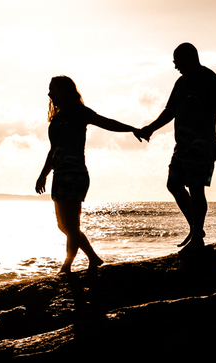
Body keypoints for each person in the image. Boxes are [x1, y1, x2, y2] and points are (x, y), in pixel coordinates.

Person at [36, 76, 146, 277]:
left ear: (65, 91)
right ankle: (93, 258)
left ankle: (67, 265)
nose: (50, 94)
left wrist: (132, 129)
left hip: (75, 174)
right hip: (59, 175)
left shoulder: (80, 112)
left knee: (72, 225)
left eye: (53, 90)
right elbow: (53, 150)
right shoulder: (56, 118)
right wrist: (43, 174)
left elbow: (107, 122)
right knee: (63, 225)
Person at [138, 43, 216, 253]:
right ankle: (196, 228)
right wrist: (150, 128)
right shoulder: (180, 83)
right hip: (182, 146)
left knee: (196, 189)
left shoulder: (211, 80)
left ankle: (197, 235)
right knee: (173, 184)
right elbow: (170, 110)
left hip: (203, 145)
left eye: (178, 62)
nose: (176, 66)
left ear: (191, 58)